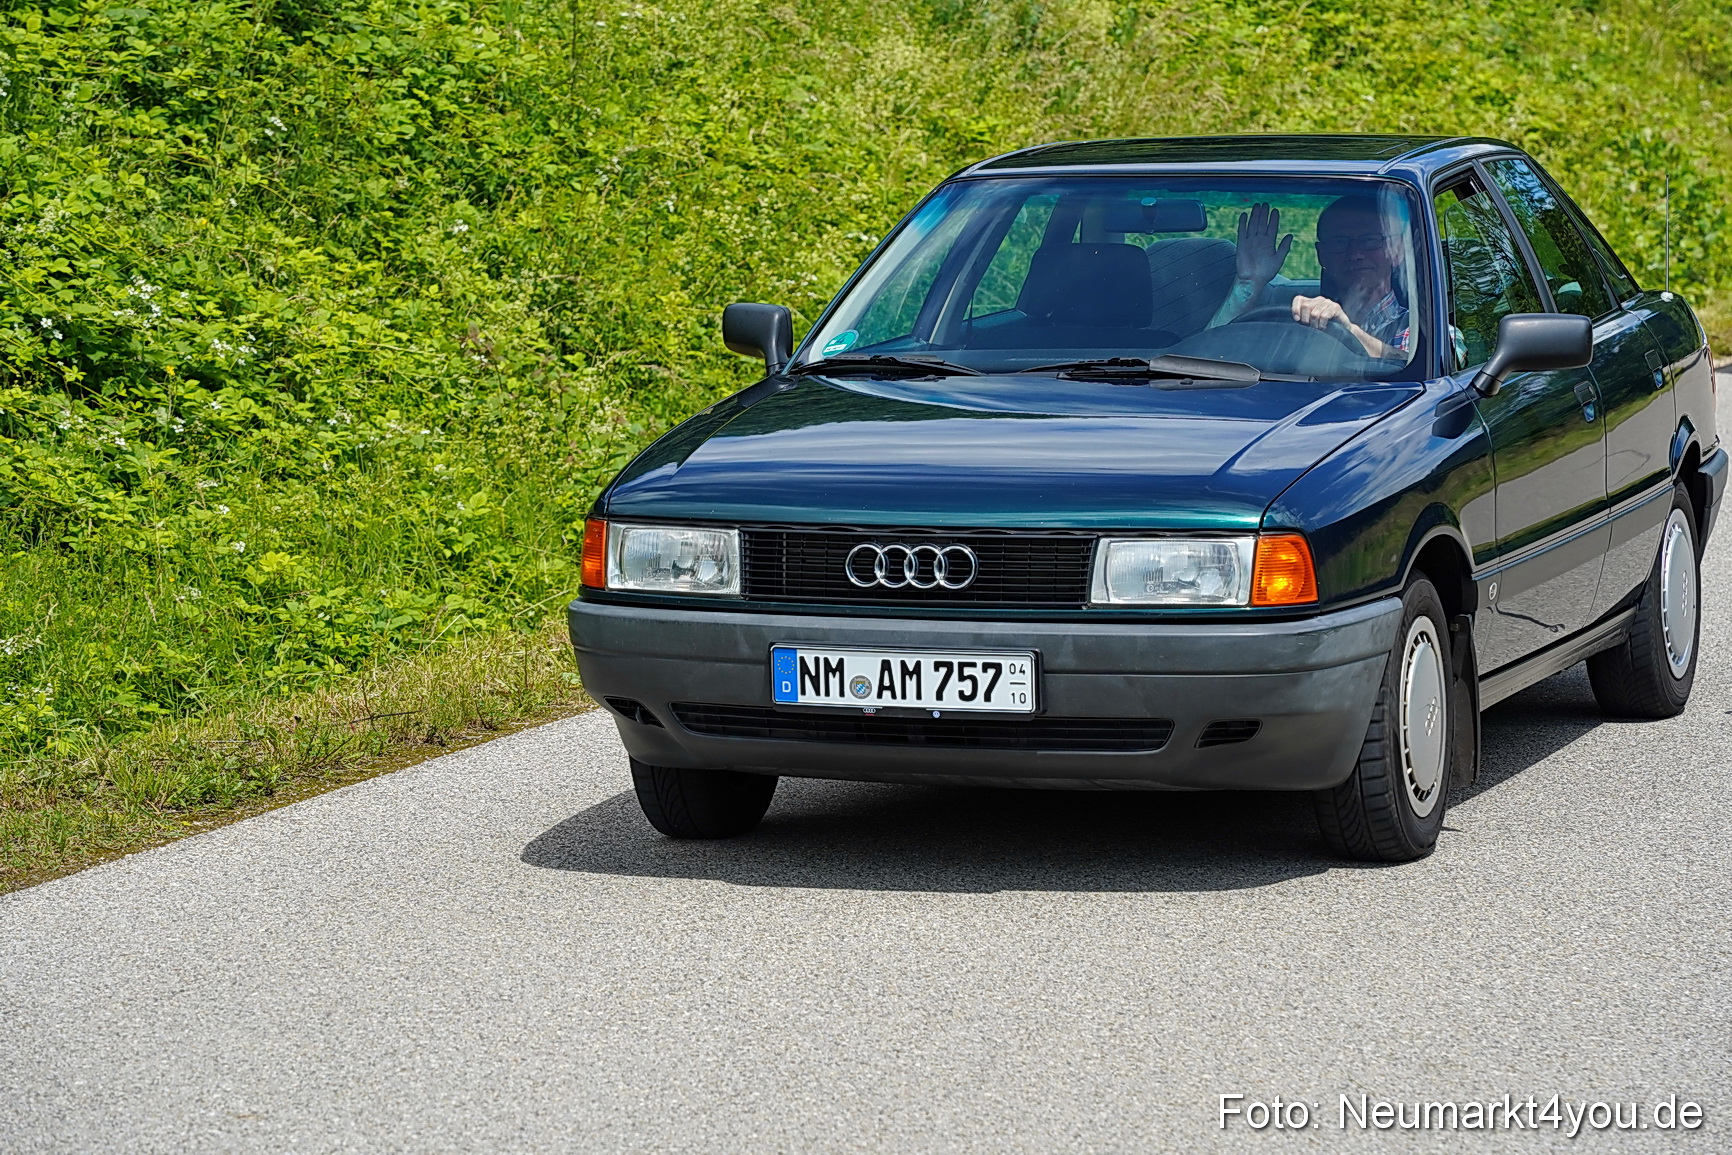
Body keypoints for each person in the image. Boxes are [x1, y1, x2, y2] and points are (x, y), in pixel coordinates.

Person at [1208, 195, 1411, 360]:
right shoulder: (1295, 320)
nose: (1355, 253)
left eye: (1370, 240)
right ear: (1322, 255)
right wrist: (1247, 283)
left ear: (1396, 252)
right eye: (1339, 242)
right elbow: (1209, 355)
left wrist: (1348, 330)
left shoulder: (1419, 327)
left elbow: (1413, 366)